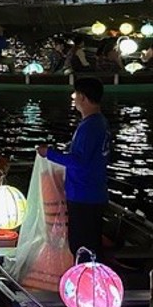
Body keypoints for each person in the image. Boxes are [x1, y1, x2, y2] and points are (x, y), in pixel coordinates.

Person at [37, 77, 110, 261]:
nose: (73, 98)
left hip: (83, 194)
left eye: (75, 94)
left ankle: (87, 283)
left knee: (82, 245)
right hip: (94, 191)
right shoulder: (99, 123)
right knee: (90, 242)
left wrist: (50, 154)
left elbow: (80, 162)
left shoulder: (90, 127)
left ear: (84, 98)